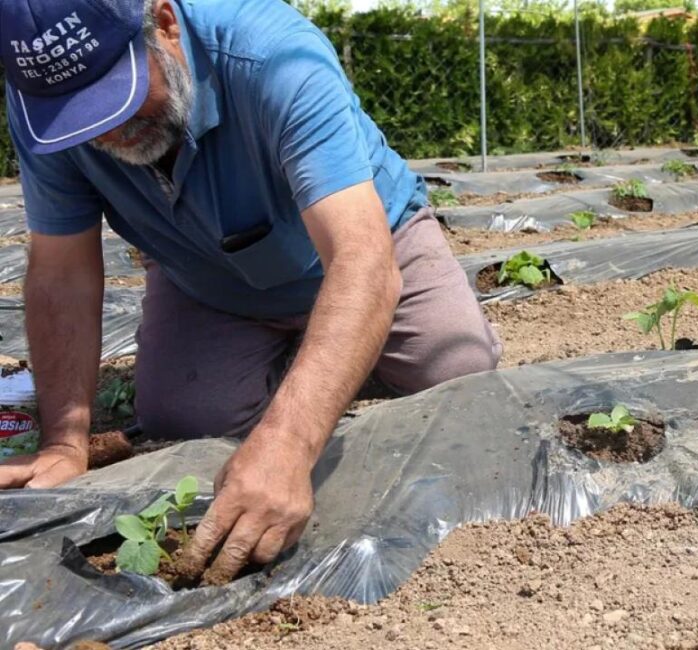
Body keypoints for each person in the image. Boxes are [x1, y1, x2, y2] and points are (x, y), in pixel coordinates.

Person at [0, 0, 500, 581]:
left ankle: (333, 352)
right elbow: (62, 272)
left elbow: (360, 256)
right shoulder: (43, 110)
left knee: (456, 370)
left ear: (164, 23)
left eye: (116, 94)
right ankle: (320, 357)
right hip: (205, 276)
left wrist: (288, 442)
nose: (105, 127)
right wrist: (65, 443)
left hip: (363, 244)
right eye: (79, 115)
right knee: (181, 414)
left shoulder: (270, 55)